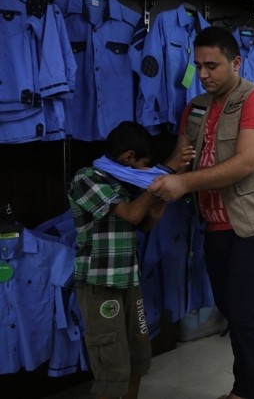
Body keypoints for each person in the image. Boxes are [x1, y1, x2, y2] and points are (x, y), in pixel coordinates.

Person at [148, 26, 254, 399]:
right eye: (198, 66)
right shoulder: (196, 107)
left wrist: (184, 183)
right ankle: (244, 390)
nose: (203, 74)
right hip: (216, 226)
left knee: (250, 316)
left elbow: (245, 163)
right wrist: (164, 174)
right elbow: (182, 159)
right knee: (235, 313)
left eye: (212, 65)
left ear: (236, 62)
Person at [68, 121, 192, 399]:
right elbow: (132, 215)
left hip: (129, 280)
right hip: (100, 284)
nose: (146, 173)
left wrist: (162, 198)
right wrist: (163, 175)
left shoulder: (124, 180)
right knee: (113, 365)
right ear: (128, 157)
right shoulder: (87, 178)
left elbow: (144, 224)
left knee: (138, 355)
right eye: (145, 167)